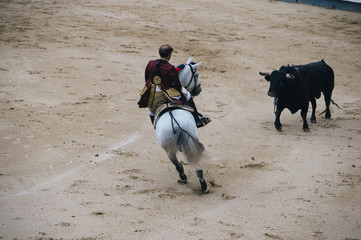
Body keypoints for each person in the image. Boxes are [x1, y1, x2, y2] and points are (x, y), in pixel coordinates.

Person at [137, 44, 209, 128]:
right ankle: (197, 120)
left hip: (154, 93)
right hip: (168, 92)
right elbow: (177, 85)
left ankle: (156, 126)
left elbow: (147, 79)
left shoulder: (150, 63)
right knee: (188, 95)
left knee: (150, 111)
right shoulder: (169, 67)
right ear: (169, 55)